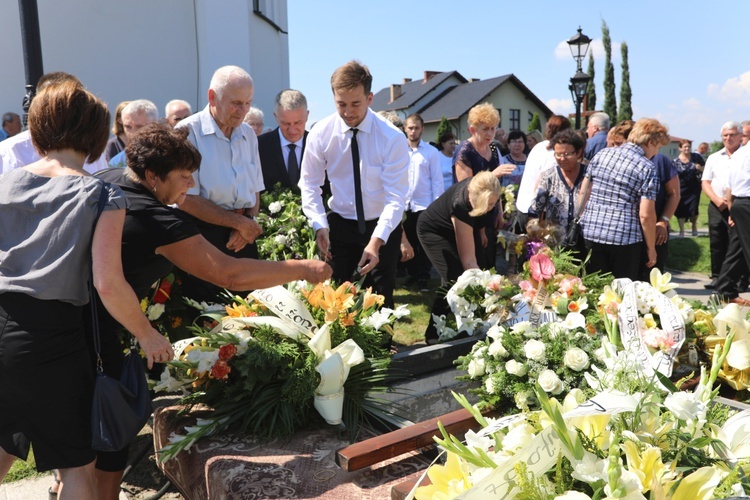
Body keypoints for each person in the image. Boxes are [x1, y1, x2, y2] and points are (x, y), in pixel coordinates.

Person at [91, 122, 332, 498]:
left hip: (66, 320)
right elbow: (229, 274)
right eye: (184, 177)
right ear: (153, 176)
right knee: (109, 437)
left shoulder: (108, 179)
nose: (190, 186)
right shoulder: (156, 219)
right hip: (100, 334)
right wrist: (303, 268)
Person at [0, 80, 172, 500]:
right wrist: (148, 335)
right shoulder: (101, 193)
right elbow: (108, 283)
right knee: (75, 467)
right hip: (54, 339)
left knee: (3, 446)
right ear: (97, 134)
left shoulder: (3, 184)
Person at [300, 60, 409, 308]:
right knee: (337, 302)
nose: (348, 112)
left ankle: (384, 346)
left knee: (380, 302)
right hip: (339, 226)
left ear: (370, 98)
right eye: (341, 104)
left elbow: (396, 198)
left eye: (355, 104)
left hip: (383, 227)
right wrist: (319, 224)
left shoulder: (392, 138)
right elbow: (309, 185)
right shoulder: (320, 133)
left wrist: (376, 242)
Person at [176, 65, 265, 301]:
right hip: (202, 238)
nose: (243, 111)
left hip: (243, 235)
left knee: (252, 315)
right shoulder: (188, 133)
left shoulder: (247, 134)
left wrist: (247, 224)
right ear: (212, 97)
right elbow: (185, 199)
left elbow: (255, 188)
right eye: (236, 103)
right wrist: (239, 223)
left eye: (248, 103)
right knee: (210, 319)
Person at [417, 171, 502, 342]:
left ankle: (476, 325)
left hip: (465, 224)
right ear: (473, 196)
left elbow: (481, 213)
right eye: (487, 204)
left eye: (494, 203)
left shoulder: (484, 186)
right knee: (456, 279)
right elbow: (469, 262)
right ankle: (434, 332)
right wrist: (488, 288)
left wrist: (481, 231)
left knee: (482, 266)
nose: (490, 208)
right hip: (435, 231)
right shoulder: (461, 205)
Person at [580, 118, 668, 280]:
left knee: (592, 290)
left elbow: (584, 192)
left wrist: (581, 219)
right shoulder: (647, 167)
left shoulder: (602, 154)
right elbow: (646, 215)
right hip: (624, 239)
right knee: (621, 295)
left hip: (591, 233)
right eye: (658, 147)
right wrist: (651, 248)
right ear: (650, 142)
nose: (656, 153)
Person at [0, 72, 109, 175]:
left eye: (77, 104)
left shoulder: (90, 148)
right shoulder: (10, 151)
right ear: (40, 107)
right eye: (59, 107)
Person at [454, 103, 515, 268]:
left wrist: (500, 212)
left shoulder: (493, 149)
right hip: (470, 217)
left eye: (493, 128)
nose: (490, 134)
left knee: (490, 261)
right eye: (485, 129)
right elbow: (467, 189)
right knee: (475, 261)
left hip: (490, 213)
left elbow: (497, 186)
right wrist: (493, 173)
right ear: (472, 130)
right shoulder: (464, 151)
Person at [529, 129, 588, 258]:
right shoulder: (549, 176)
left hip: (585, 240)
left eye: (567, 154)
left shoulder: (588, 175)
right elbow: (535, 208)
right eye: (558, 154)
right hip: (556, 242)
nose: (562, 159)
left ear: (578, 152)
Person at [402, 113, 444, 290]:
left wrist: (436, 207)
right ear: (405, 128)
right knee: (408, 240)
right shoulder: (399, 150)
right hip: (404, 204)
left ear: (422, 129)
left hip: (424, 204)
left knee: (423, 242)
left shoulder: (431, 152)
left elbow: (437, 180)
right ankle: (412, 274)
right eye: (410, 127)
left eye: (416, 127)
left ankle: (423, 277)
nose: (413, 131)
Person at [702, 121, 744, 290]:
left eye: (732, 134)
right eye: (725, 135)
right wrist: (717, 200)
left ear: (740, 136)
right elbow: (706, 182)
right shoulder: (714, 157)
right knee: (717, 241)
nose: (728, 138)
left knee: (738, 242)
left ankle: (740, 279)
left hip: (739, 204)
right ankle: (717, 277)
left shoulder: (745, 155)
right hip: (717, 204)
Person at [515, 115, 573, 223]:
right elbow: (541, 185)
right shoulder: (554, 153)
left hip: (522, 206)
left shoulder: (539, 146)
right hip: (535, 212)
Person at [713, 144, 750, 306]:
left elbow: (730, 186)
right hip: (746, 202)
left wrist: (732, 209)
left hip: (739, 203)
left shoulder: (739, 153)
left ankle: (725, 290)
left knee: (738, 249)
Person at [258, 89, 309, 190]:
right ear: (276, 117)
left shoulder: (319, 145)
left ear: (307, 116)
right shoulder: (259, 146)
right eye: (286, 123)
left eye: (298, 122)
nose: (292, 130)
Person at [640, 152, 679, 278]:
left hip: (655, 229)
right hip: (629, 232)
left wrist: (663, 220)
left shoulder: (660, 160)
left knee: (653, 277)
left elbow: (674, 194)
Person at [108, 100, 160, 168]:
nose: (133, 133)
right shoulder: (116, 163)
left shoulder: (171, 157)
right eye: (127, 127)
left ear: (154, 125)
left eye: (139, 127)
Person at [673, 139, 704, 237]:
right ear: (680, 148)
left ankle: (694, 226)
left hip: (694, 187)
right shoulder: (675, 162)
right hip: (681, 188)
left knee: (694, 208)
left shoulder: (696, 157)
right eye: (685, 147)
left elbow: (705, 168)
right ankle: (681, 231)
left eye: (688, 147)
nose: (687, 148)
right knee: (680, 209)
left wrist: (700, 168)